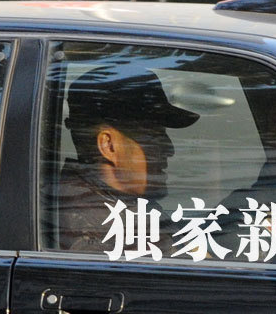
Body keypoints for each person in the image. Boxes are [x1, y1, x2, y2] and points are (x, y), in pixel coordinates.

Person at [56, 67, 199, 251]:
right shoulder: (100, 232)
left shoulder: (121, 203)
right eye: (154, 136)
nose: (169, 149)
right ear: (109, 146)